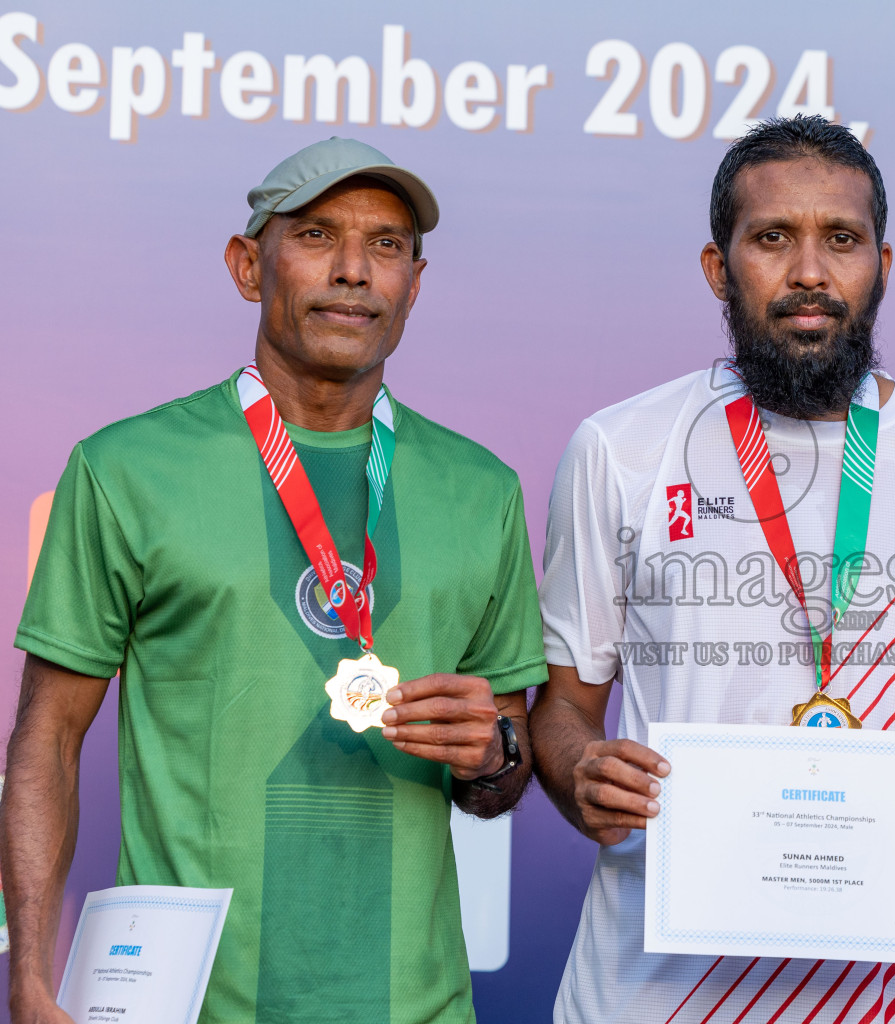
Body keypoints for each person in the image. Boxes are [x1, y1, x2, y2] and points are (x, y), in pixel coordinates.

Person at [1, 138, 546, 1023]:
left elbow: (506, 758)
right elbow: (46, 741)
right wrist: (28, 973)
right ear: (248, 266)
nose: (353, 272)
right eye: (318, 235)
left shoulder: (482, 490)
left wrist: (494, 756)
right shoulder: (125, 469)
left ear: (416, 281)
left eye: (387, 245)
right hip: (184, 1005)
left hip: (418, 1003)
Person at [530, 115, 895, 1023]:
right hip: (655, 989)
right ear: (717, 267)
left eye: (841, 240)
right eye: (772, 238)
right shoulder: (622, 447)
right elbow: (565, 709)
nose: (810, 271)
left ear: (883, 266)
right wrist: (582, 776)